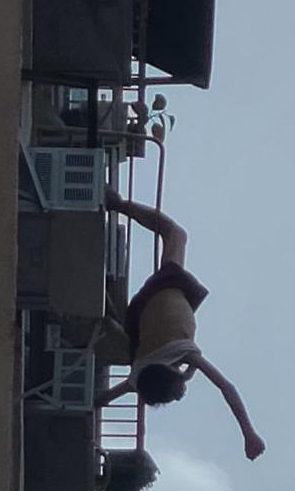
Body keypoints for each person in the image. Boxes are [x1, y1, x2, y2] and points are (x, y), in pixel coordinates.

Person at [96, 188, 266, 461]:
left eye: (176, 393)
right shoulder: (140, 375)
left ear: (171, 375)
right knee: (172, 235)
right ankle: (106, 317)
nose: (180, 395)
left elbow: (226, 388)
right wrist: (91, 407)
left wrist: (248, 433)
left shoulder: (184, 354)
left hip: (168, 289)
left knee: (175, 233)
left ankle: (119, 204)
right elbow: (106, 397)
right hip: (141, 313)